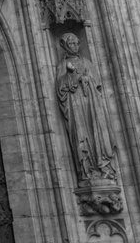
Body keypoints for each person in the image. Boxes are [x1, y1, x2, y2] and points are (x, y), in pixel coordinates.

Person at [55, 33, 116, 183]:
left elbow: (98, 85)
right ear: (63, 45)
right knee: (82, 136)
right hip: (76, 107)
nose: (75, 46)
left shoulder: (87, 62)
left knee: (98, 133)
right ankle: (87, 171)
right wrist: (70, 75)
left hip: (92, 105)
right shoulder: (62, 65)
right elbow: (60, 88)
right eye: (71, 44)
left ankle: (104, 168)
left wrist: (87, 79)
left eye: (77, 43)